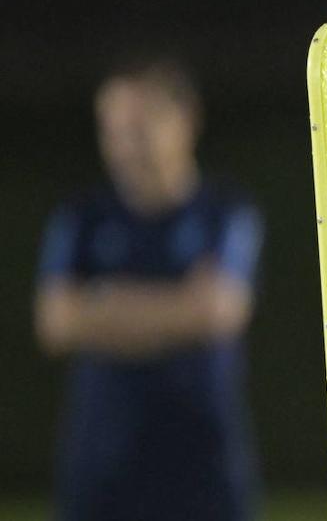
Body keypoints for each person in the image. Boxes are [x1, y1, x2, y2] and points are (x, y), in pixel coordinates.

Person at [34, 54, 263, 521]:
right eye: (112, 130)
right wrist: (178, 308)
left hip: (205, 467)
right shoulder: (81, 217)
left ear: (185, 121)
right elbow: (56, 322)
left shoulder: (225, 213)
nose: (124, 147)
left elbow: (218, 312)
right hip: (101, 470)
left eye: (139, 129)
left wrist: (105, 305)